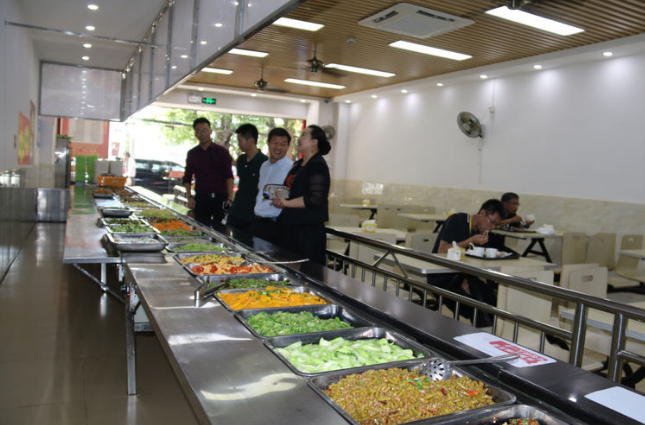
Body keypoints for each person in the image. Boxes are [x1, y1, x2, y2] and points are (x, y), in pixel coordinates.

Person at [429, 199, 505, 327]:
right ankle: (484, 337)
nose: (492, 228)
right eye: (492, 223)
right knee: (477, 307)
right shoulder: (457, 220)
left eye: (496, 226)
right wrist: (470, 241)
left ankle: (494, 334)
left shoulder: (482, 232)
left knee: (492, 300)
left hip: (465, 276)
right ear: (482, 213)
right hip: (441, 277)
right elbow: (442, 251)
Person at [271, 125, 331, 265]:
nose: (299, 138)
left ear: (314, 142)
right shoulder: (299, 164)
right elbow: (291, 190)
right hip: (289, 226)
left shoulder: (318, 165)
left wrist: (286, 203)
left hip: (307, 230)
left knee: (306, 273)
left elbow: (315, 198)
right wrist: (279, 198)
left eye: (304, 134)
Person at [183, 117, 234, 227]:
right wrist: (189, 197)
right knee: (200, 229)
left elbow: (229, 176)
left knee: (222, 230)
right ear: (195, 134)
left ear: (210, 131)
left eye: (205, 130)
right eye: (198, 131)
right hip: (201, 199)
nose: (202, 133)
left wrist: (230, 198)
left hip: (221, 199)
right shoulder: (192, 154)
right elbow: (187, 178)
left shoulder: (222, 152)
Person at [251, 128, 293, 245]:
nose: (278, 147)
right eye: (275, 143)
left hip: (276, 225)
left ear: (288, 146)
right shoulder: (263, 166)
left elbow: (292, 194)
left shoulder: (291, 168)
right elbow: (261, 192)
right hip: (257, 222)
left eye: (283, 144)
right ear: (268, 143)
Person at [226, 124, 268, 232]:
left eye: (240, 140)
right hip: (236, 210)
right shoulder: (241, 159)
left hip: (252, 214)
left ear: (251, 140)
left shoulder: (264, 162)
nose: (239, 144)